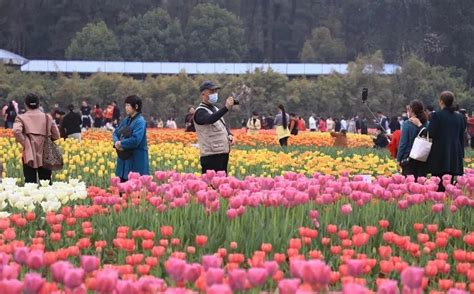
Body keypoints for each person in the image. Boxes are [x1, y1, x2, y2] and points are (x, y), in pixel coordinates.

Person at [410, 91, 466, 191]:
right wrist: (461, 155)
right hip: (454, 155)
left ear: (441, 102)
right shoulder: (460, 117)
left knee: (439, 186)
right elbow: (462, 138)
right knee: (450, 185)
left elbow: (430, 134)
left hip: (440, 156)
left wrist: (419, 125)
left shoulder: (437, 115)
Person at [13, 93, 60, 183]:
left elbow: (16, 131)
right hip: (45, 153)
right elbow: (57, 135)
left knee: (30, 184)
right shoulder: (47, 117)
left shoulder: (21, 118)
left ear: (26, 105)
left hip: (29, 153)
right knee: (46, 183)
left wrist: (25, 142)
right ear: (38, 104)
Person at [193, 80, 234, 174]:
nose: (215, 94)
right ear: (203, 93)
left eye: (216, 91)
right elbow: (210, 119)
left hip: (222, 153)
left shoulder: (215, 108)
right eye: (211, 92)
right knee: (211, 185)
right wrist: (226, 108)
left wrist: (230, 134)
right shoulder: (200, 111)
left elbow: (222, 125)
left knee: (223, 185)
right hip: (211, 155)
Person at [113, 95, 149, 182]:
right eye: (125, 105)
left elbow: (136, 140)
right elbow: (115, 132)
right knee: (121, 187)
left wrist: (121, 144)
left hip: (135, 160)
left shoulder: (140, 121)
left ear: (136, 106)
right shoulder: (126, 120)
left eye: (128, 105)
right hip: (123, 160)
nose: (126, 108)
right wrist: (116, 142)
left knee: (134, 189)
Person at [396, 101, 428, 178]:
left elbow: (403, 143)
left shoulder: (408, 123)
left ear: (411, 110)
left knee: (409, 183)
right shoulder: (426, 123)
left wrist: (398, 158)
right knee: (421, 184)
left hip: (409, 158)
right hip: (423, 157)